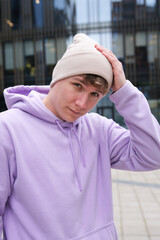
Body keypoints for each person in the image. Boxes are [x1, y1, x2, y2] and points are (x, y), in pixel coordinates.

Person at [0, 33, 160, 240]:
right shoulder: (7, 128)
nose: (82, 103)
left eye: (95, 94)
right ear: (57, 80)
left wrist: (125, 91)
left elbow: (153, 154)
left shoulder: (99, 129)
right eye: (78, 85)